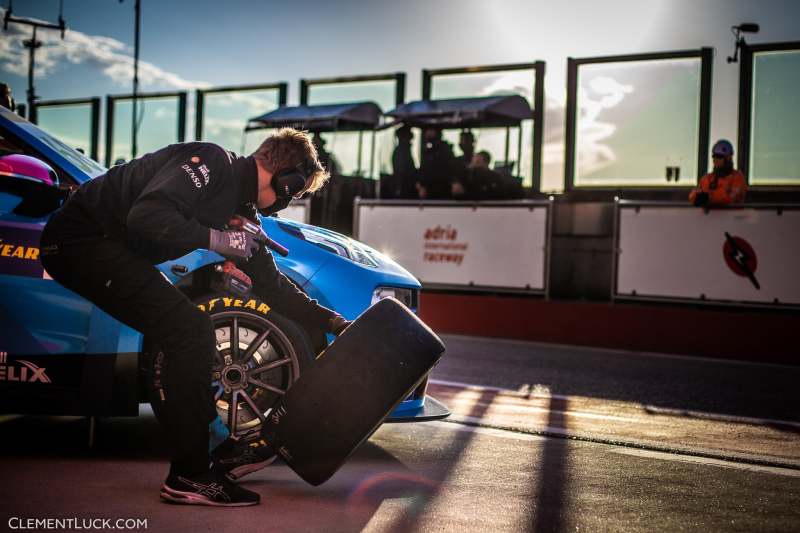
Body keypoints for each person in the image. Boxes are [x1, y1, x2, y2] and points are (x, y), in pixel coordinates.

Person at [40, 129, 351, 507]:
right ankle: (190, 474)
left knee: (186, 332)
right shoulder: (212, 161)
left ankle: (211, 452)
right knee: (189, 331)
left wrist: (334, 322)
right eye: (296, 193)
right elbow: (147, 214)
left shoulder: (241, 211)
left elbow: (273, 288)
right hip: (79, 241)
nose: (287, 202)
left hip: (111, 247)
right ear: (288, 179)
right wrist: (215, 240)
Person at [689, 139, 748, 207]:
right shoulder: (707, 178)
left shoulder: (737, 177)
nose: (715, 160)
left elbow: (731, 198)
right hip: (708, 216)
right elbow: (694, 196)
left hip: (731, 216)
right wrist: (699, 197)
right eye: (714, 156)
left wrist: (708, 197)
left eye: (719, 157)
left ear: (729, 158)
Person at [418, 128, 456, 199]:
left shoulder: (445, 150)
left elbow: (451, 168)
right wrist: (422, 185)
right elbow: (424, 169)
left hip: (443, 189)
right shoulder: (429, 151)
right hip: (430, 190)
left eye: (430, 130)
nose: (427, 134)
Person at [390, 125, 418, 198]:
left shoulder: (403, 151)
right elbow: (402, 172)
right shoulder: (402, 151)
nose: (410, 141)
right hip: (405, 190)